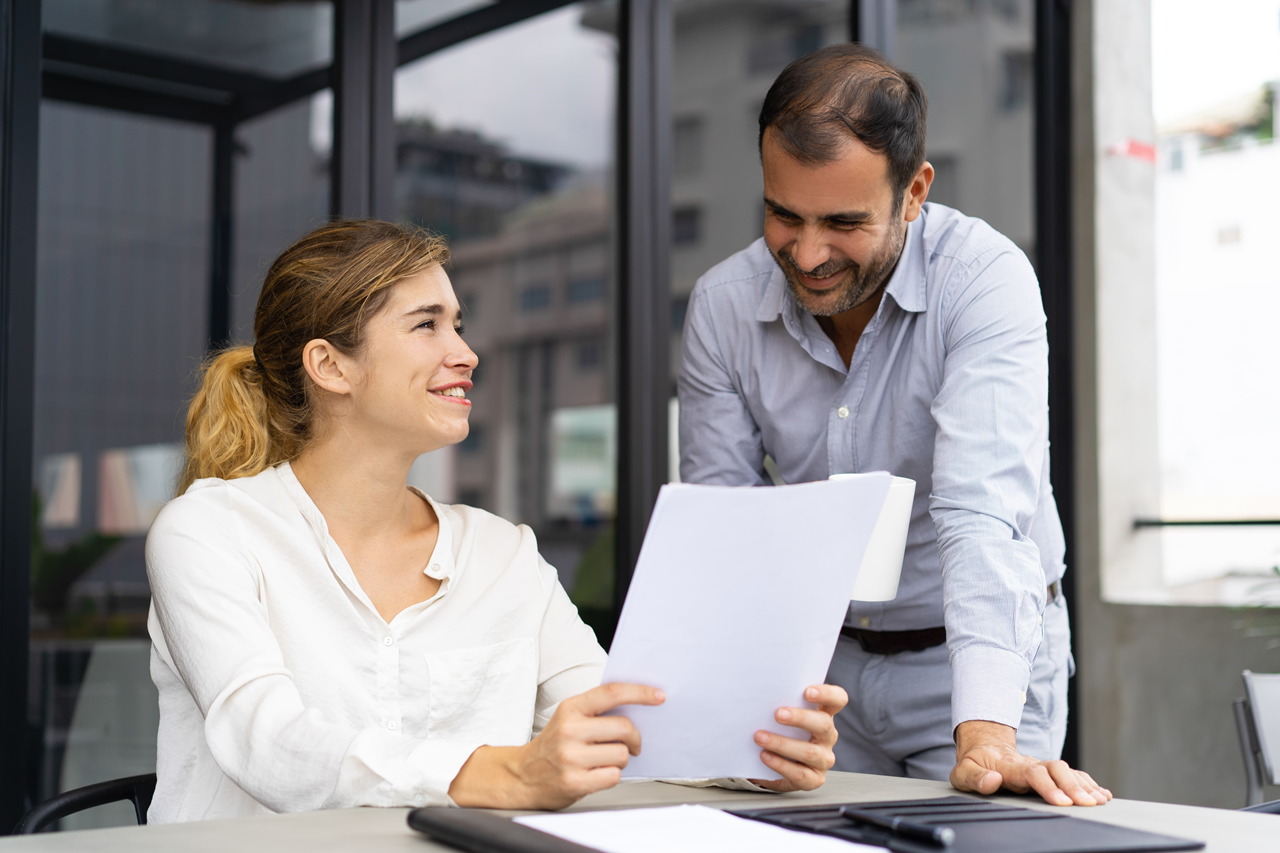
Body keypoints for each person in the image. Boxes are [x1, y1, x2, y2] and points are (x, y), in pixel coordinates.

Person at [144, 220, 845, 823]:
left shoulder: (503, 555)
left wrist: (748, 751)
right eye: (426, 325)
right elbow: (265, 739)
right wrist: (505, 772)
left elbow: (618, 725)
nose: (465, 352)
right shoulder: (208, 532)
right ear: (330, 365)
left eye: (459, 323)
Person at [677, 44, 1112, 807]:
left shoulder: (983, 281)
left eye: (842, 222)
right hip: (820, 670)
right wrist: (735, 707)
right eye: (784, 214)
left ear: (913, 193)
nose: (807, 254)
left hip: (970, 660)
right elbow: (728, 525)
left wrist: (985, 737)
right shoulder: (721, 305)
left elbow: (982, 513)